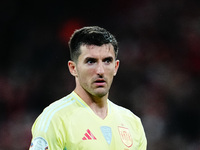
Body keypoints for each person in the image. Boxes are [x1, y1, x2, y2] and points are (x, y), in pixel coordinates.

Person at [29, 26, 147, 150]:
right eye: (91, 61)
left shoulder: (132, 122)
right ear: (73, 68)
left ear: (116, 67)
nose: (100, 71)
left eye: (107, 61)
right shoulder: (55, 119)